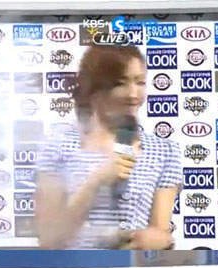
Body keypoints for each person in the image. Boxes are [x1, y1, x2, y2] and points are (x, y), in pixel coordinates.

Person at [36, 44, 182, 250]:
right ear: (95, 89)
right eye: (121, 83)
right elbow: (49, 239)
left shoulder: (164, 151)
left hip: (132, 266)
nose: (133, 94)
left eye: (140, 82)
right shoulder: (57, 146)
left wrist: (156, 240)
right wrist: (96, 181)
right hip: (74, 266)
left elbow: (160, 232)